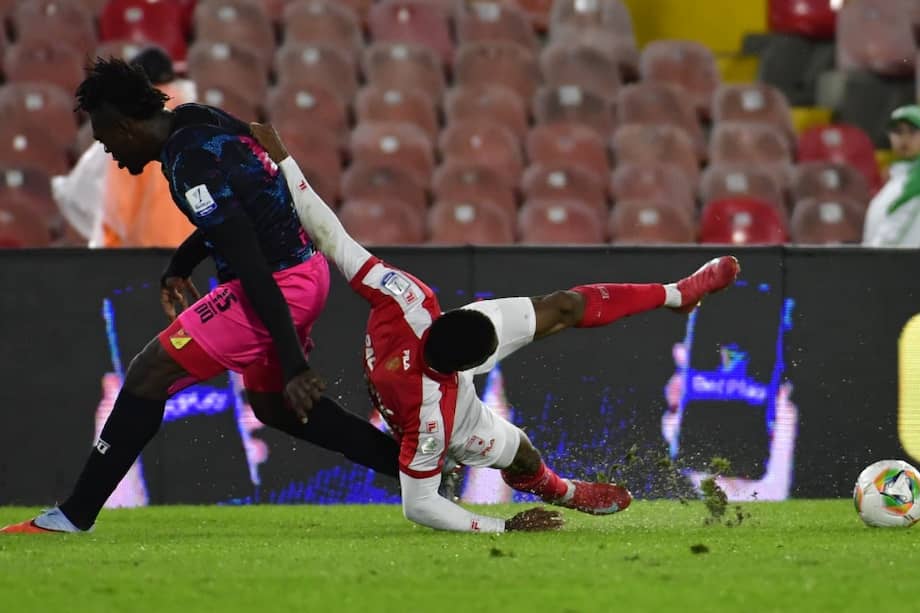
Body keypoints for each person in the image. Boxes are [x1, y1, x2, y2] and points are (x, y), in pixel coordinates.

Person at [249, 123, 741, 532]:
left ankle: (678, 294)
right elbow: (417, 505)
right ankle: (562, 491)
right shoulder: (432, 418)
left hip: (428, 351)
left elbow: (330, 234)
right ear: (472, 367)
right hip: (436, 405)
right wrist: (503, 527)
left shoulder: (408, 300)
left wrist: (286, 160)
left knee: (563, 306)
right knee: (521, 454)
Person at [2, 58, 400, 534]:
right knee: (276, 409)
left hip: (277, 285)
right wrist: (181, 265)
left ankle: (73, 514)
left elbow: (249, 260)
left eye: (106, 141)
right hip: (303, 270)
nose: (109, 152)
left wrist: (294, 363)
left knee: (150, 371)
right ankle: (414, 469)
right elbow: (248, 206)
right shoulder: (197, 119)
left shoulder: (188, 165)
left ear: (124, 126)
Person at [51, 46, 197, 247]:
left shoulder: (126, 124)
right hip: (199, 254)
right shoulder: (197, 119)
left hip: (146, 255)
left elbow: (105, 203)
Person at [863, 105, 920, 248]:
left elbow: (894, 228)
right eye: (897, 131)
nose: (904, 138)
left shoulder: (916, 178)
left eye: (913, 131)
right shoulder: (897, 178)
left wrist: (867, 261)